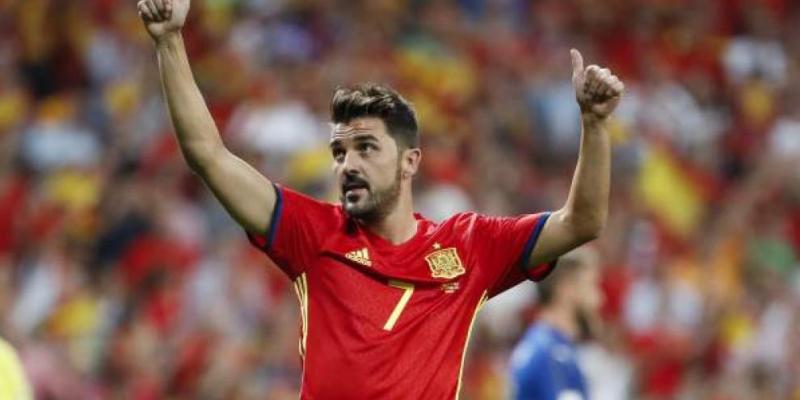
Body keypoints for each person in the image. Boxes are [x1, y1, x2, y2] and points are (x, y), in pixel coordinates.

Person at [136, 0, 624, 397]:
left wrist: (596, 126)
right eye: (338, 151)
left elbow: (582, 222)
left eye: (366, 148)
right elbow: (207, 155)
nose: (348, 164)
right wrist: (170, 41)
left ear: (410, 162)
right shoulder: (312, 233)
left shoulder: (469, 248)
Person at [509, 247, 602, 400]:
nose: (599, 299)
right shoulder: (551, 353)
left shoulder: (547, 345)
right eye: (592, 286)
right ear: (567, 289)